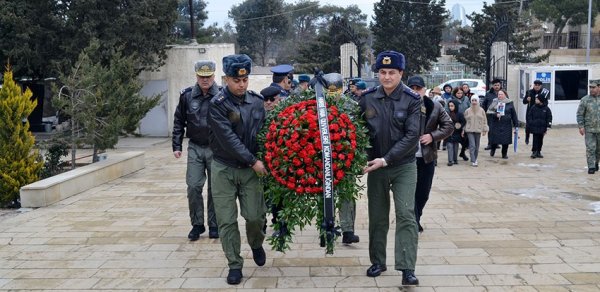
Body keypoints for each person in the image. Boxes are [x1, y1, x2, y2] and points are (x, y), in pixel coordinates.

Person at [359, 50, 421, 286]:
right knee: (377, 217)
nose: (386, 77)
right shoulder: (367, 98)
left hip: (403, 166)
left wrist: (386, 159)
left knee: (406, 215)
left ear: (401, 73)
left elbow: (412, 136)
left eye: (391, 73)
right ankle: (378, 261)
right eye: (382, 72)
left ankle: (407, 267)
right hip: (375, 167)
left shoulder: (412, 100)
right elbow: (356, 131)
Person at [208, 54, 268, 285]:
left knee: (255, 216)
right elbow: (228, 139)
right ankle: (234, 264)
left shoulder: (256, 102)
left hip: (250, 170)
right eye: (236, 80)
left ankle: (256, 243)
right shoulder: (217, 105)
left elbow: (264, 133)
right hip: (224, 168)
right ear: (226, 79)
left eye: (244, 80)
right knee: (226, 220)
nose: (241, 84)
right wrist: (255, 161)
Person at [172, 60, 220, 241]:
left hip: (216, 148)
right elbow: (179, 121)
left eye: (208, 76)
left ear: (214, 76)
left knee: (215, 188)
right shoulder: (187, 96)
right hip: (195, 147)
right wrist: (177, 145)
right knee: (193, 186)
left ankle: (214, 225)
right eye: (202, 76)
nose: (205, 80)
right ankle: (197, 224)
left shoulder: (222, 95)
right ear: (196, 76)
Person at [407, 76, 452, 233]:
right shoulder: (401, 105)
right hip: (406, 158)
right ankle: (413, 221)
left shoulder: (435, 106)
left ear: (424, 90)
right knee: (408, 191)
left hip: (427, 156)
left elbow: (448, 126)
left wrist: (432, 136)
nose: (415, 91)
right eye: (412, 88)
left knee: (423, 192)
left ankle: (417, 215)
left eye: (418, 88)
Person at [321, 73, 360, 245]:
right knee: (323, 195)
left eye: (335, 89)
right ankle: (325, 229)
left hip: (346, 157)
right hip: (322, 159)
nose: (332, 93)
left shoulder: (351, 105)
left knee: (346, 194)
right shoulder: (317, 105)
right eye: (329, 89)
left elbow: (360, 131)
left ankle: (348, 230)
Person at [576, 79, 600, 174]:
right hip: (589, 129)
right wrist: (581, 126)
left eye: (593, 87)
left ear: (599, 87)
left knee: (598, 149)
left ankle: (596, 163)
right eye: (590, 87)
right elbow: (580, 114)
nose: (591, 89)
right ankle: (591, 166)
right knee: (590, 148)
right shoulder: (585, 100)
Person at [486, 89, 519, 159]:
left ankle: (504, 154)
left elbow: (513, 114)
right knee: (495, 139)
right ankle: (493, 149)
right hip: (496, 123)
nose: (500, 96)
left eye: (501, 94)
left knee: (505, 140)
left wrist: (516, 124)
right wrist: (496, 115)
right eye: (499, 94)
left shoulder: (509, 102)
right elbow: (489, 112)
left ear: (505, 95)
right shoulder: (495, 101)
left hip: (506, 124)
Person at [462, 96, 488, 167]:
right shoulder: (467, 110)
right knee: (472, 145)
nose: (474, 102)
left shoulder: (482, 110)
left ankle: (475, 159)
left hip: (478, 130)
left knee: (477, 146)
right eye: (472, 100)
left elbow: (485, 120)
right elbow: (464, 121)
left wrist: (485, 129)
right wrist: (463, 130)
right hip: (469, 130)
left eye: (475, 100)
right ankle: (473, 160)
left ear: (478, 101)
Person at [523, 80, 549, 145]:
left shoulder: (544, 92)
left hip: (540, 112)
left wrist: (541, 104)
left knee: (539, 126)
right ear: (534, 85)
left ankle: (539, 140)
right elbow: (524, 102)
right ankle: (527, 137)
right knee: (528, 125)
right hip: (530, 111)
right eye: (535, 85)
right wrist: (527, 99)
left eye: (538, 85)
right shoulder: (529, 92)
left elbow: (546, 103)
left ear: (541, 86)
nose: (537, 86)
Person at [526, 95, 552, 159]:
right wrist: (531, 123)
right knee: (535, 139)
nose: (535, 100)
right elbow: (529, 116)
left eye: (537, 99)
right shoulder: (533, 107)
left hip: (542, 128)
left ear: (541, 100)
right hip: (534, 127)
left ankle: (539, 151)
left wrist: (548, 125)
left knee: (540, 140)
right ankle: (534, 151)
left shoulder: (546, 109)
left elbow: (549, 117)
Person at [482, 79, 502, 150]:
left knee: (498, 129)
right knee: (490, 129)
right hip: (490, 114)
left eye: (498, 85)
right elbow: (484, 103)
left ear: (500, 85)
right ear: (492, 86)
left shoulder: (503, 93)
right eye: (495, 85)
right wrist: (483, 112)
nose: (496, 86)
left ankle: (496, 143)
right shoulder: (488, 93)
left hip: (500, 114)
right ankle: (490, 144)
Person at [445, 99, 466, 166]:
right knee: (450, 146)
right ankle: (450, 160)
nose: (450, 107)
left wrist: (459, 126)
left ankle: (455, 159)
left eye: (452, 106)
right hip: (449, 133)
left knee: (455, 147)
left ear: (455, 106)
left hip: (457, 132)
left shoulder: (459, 114)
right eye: (449, 106)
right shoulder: (447, 114)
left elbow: (463, 121)